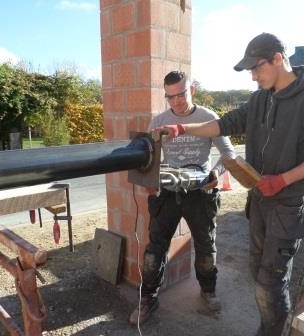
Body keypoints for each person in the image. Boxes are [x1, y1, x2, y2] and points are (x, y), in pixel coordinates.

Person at [159, 33, 304, 335]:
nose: (254, 77)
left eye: (257, 69)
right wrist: (182, 128)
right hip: (260, 198)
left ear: (278, 59)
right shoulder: (260, 98)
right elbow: (225, 123)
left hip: (288, 202)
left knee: (271, 280)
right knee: (258, 271)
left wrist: (283, 179)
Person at [129, 70, 236, 325]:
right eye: (170, 97)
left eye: (181, 94)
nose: (176, 101)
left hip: (200, 191)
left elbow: (229, 153)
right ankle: (147, 300)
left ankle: (208, 292)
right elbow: (148, 157)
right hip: (168, 191)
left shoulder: (208, 118)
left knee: (206, 247)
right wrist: (148, 181)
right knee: (154, 250)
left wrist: (216, 173)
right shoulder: (159, 122)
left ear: (192, 90)